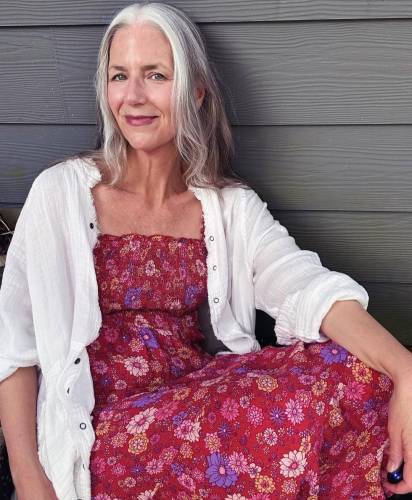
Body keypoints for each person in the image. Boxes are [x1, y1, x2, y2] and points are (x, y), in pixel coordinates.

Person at [0, 2, 411, 499]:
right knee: (257, 423)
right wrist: (29, 480)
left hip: (196, 398)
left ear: (195, 92)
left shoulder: (227, 206)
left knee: (362, 370)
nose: (133, 96)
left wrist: (405, 369)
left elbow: (302, 284)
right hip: (102, 428)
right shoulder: (60, 193)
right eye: (119, 76)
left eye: (156, 75)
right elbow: (14, 344)